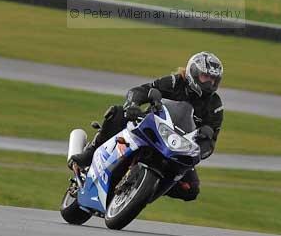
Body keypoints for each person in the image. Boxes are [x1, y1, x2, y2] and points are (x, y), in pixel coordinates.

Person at [68, 51, 224, 201]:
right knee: (117, 112)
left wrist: (199, 151)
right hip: (150, 127)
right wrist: (133, 105)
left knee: (191, 189)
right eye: (206, 77)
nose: (210, 83)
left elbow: (211, 141)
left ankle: (147, 188)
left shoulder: (215, 105)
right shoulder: (175, 82)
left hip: (177, 146)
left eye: (214, 80)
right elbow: (141, 90)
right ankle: (91, 152)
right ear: (194, 73)